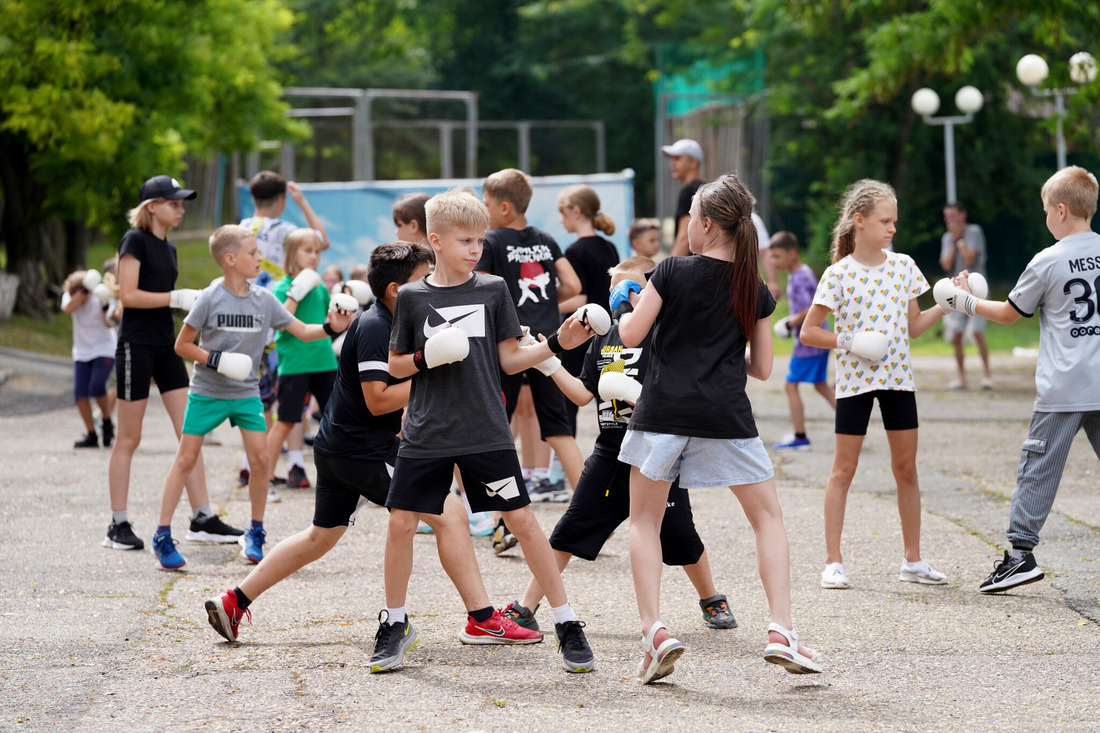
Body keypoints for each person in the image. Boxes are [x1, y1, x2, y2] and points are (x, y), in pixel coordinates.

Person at [204, 241, 520, 645]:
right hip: (362, 451)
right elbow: (378, 400)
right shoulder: (376, 327)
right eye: (423, 278)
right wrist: (432, 374)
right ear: (395, 290)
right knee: (452, 516)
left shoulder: (393, 320)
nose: (430, 284)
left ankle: (234, 600)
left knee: (321, 536)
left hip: (341, 447)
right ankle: (482, 619)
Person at [374, 189, 597, 674]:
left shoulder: (493, 288)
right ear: (434, 240)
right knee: (400, 524)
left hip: (486, 429)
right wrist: (425, 357)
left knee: (523, 521)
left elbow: (509, 358)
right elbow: (393, 365)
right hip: (427, 432)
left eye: (479, 240)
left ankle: (566, 622)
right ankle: (393, 622)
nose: (475, 248)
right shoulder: (412, 297)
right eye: (465, 240)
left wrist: (558, 342)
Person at [618, 174, 821, 684]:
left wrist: (625, 301)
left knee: (644, 521)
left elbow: (630, 335)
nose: (686, 224)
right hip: (727, 416)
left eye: (689, 216)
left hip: (662, 412)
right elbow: (762, 369)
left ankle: (655, 632)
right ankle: (781, 630)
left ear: (706, 225)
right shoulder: (754, 288)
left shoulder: (669, 271)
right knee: (768, 519)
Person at [500, 256, 737, 634]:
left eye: (629, 288)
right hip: (611, 451)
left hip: (657, 453)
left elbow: (687, 393)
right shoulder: (604, 338)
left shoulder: (668, 334)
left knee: (680, 535)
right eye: (614, 290)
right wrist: (548, 363)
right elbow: (581, 395)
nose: (620, 298)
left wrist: (640, 398)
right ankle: (527, 605)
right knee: (570, 527)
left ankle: (710, 597)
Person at [934, 166, 1100, 593]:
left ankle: (1020, 557)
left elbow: (1009, 313)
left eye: (1046, 209)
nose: (1045, 216)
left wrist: (965, 302)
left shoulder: (1048, 259)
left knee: (1037, 468)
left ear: (1061, 210)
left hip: (1065, 386)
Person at [149, 225, 354, 569]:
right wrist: (216, 359)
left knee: (260, 461)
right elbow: (181, 345)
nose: (260, 258)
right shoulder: (210, 298)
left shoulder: (264, 299)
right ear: (230, 259)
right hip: (208, 392)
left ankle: (255, 532)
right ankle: (162, 535)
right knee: (185, 458)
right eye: (253, 253)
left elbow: (303, 332)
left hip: (246, 392)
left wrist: (333, 327)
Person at [800, 179, 948, 591]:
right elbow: (809, 333)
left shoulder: (904, 267)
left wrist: (947, 303)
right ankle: (833, 561)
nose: (892, 228)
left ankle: (913, 561)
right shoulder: (838, 274)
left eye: (894, 222)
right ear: (859, 221)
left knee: (907, 470)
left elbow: (915, 326)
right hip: (854, 383)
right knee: (843, 469)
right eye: (885, 221)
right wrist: (848, 340)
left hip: (899, 381)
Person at [104, 175, 231, 552]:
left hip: (166, 345)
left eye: (181, 203)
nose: (180, 208)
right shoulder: (134, 241)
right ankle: (118, 524)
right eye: (173, 203)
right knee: (129, 436)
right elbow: (128, 295)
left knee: (189, 431)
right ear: (152, 206)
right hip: (136, 345)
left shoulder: (170, 248)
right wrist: (175, 297)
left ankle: (203, 516)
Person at [476, 168, 585, 505]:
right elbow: (573, 286)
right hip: (546, 343)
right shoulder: (546, 239)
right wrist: (547, 306)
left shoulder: (491, 241)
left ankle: (496, 513)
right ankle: (591, 508)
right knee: (558, 429)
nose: (484, 210)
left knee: (497, 427)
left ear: (504, 207)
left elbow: (477, 290)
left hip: (508, 344)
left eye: (487, 204)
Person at [238, 171, 330, 490]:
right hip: (281, 327)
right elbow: (322, 240)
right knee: (291, 405)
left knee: (258, 399)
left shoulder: (239, 230)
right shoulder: (287, 230)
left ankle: (250, 465)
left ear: (253, 198)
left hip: (247, 327)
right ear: (281, 200)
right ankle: (294, 466)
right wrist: (302, 202)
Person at [661, 139, 780, 294]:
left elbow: (683, 237)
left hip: (694, 271)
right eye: (671, 159)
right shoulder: (710, 191)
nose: (672, 164)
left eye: (677, 159)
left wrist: (668, 275)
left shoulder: (690, 192)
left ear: (693, 162)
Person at [768, 232, 835, 450]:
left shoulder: (799, 277)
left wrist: (789, 323)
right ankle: (852, 426)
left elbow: (811, 308)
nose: (773, 262)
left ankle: (800, 437)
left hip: (809, 343)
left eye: (777, 257)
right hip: (815, 340)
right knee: (820, 385)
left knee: (790, 385)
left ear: (792, 253)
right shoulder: (801, 273)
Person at [939, 202, 993, 390]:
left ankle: (987, 375)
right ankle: (962, 378)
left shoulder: (974, 232)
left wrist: (960, 238)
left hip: (977, 290)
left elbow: (970, 258)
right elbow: (946, 265)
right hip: (956, 291)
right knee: (956, 335)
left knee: (977, 332)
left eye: (952, 216)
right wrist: (953, 240)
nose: (949, 220)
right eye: (947, 217)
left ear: (963, 215)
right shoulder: (947, 237)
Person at [61, 268, 117, 449]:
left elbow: (108, 323)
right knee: (80, 394)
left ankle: (106, 421)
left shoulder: (99, 295)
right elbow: (68, 309)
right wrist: (83, 290)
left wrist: (105, 305)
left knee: (97, 386)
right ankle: (92, 434)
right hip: (82, 351)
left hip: (104, 348)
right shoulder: (70, 297)